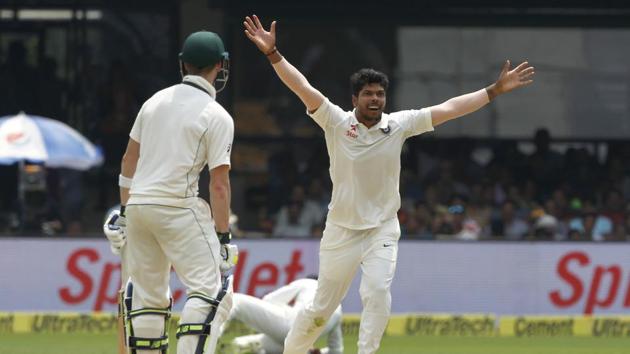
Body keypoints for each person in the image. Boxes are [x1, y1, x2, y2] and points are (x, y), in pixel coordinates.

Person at [243, 14, 535, 354]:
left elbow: (449, 108)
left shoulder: (399, 125)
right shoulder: (336, 122)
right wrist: (273, 53)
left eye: (380, 94)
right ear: (354, 99)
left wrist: (494, 90)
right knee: (320, 310)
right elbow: (301, 86)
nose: (375, 100)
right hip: (341, 230)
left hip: (382, 228)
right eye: (368, 94)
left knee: (378, 293)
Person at [103, 30, 237, 354]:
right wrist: (222, 237)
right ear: (220, 66)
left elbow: (128, 161)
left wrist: (124, 212)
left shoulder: (154, 102)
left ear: (183, 65)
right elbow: (218, 185)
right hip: (178, 206)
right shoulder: (217, 115)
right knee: (212, 292)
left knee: (148, 298)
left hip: (138, 208)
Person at [219, 277, 343, 354]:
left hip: (289, 326)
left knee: (236, 300)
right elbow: (336, 351)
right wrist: (320, 352)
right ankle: (247, 345)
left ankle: (213, 335)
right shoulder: (338, 307)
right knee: (288, 343)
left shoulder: (308, 282)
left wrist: (268, 323)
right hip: (300, 344)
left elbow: (269, 299)